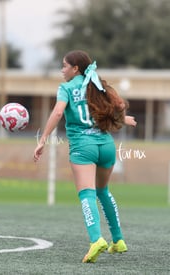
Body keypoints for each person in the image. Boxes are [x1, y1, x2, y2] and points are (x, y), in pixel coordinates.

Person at [34, 50, 137, 263]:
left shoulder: (66, 88)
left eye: (64, 66)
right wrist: (123, 119)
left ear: (75, 69)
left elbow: (58, 112)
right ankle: (118, 240)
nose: (62, 70)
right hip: (106, 145)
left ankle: (96, 240)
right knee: (103, 191)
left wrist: (43, 138)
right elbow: (117, 105)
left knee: (86, 194)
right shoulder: (95, 85)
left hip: (83, 147)